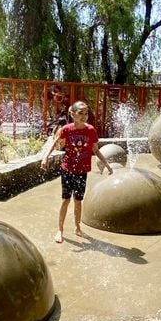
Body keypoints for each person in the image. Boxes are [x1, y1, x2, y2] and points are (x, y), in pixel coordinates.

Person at [41, 100, 113, 243]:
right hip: (67, 170)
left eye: (86, 113)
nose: (84, 116)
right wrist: (45, 157)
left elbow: (96, 150)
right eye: (80, 113)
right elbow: (55, 143)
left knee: (78, 201)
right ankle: (60, 230)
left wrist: (107, 165)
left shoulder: (91, 130)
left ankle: (77, 228)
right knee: (66, 200)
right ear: (72, 114)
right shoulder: (67, 129)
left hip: (82, 171)